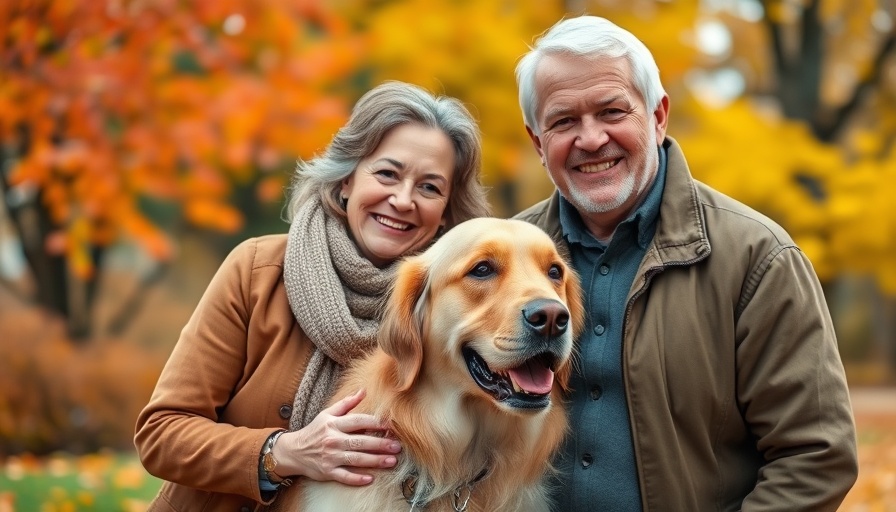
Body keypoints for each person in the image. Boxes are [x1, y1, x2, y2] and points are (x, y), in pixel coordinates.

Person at [513, 15, 858, 511]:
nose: (590, 139)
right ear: (537, 143)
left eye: (612, 111)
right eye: (564, 121)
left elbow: (816, 455)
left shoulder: (758, 259)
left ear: (658, 116)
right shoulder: (497, 260)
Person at [134, 80, 491, 511]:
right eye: (387, 174)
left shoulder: (456, 316)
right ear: (346, 180)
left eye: (430, 187)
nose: (402, 200)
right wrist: (285, 452)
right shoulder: (257, 271)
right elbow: (161, 433)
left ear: (447, 213)